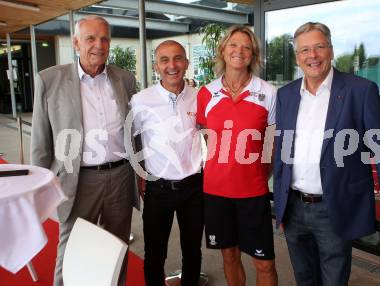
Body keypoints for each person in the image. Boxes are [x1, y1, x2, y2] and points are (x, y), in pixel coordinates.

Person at [273, 22, 380, 286]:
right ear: (297, 56)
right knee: (304, 279)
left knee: (334, 280)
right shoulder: (286, 94)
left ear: (331, 50)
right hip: (294, 208)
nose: (312, 55)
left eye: (319, 47)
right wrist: (280, 204)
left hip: (334, 207)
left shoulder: (360, 90)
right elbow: (283, 150)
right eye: (305, 50)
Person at [31, 15, 140, 286]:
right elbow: (41, 143)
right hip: (76, 180)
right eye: (90, 38)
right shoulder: (49, 80)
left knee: (117, 248)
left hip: (120, 177)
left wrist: (140, 172)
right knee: (70, 249)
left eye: (104, 39)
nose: (98, 45)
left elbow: (135, 130)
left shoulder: (125, 79)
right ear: (76, 43)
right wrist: (42, 187)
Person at [197, 25, 278, 286]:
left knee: (264, 263)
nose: (238, 51)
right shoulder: (206, 93)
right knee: (229, 255)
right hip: (216, 190)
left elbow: (271, 144)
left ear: (253, 54)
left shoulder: (268, 92)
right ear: (223, 49)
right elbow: (207, 136)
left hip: (253, 191)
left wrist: (257, 174)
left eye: (246, 46)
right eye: (233, 44)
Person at [130, 40, 204, 286]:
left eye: (178, 58)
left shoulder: (199, 97)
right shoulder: (141, 100)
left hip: (194, 187)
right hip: (158, 189)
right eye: (164, 60)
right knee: (154, 253)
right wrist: (140, 175)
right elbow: (132, 141)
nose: (172, 65)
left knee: (193, 251)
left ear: (186, 62)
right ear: (155, 66)